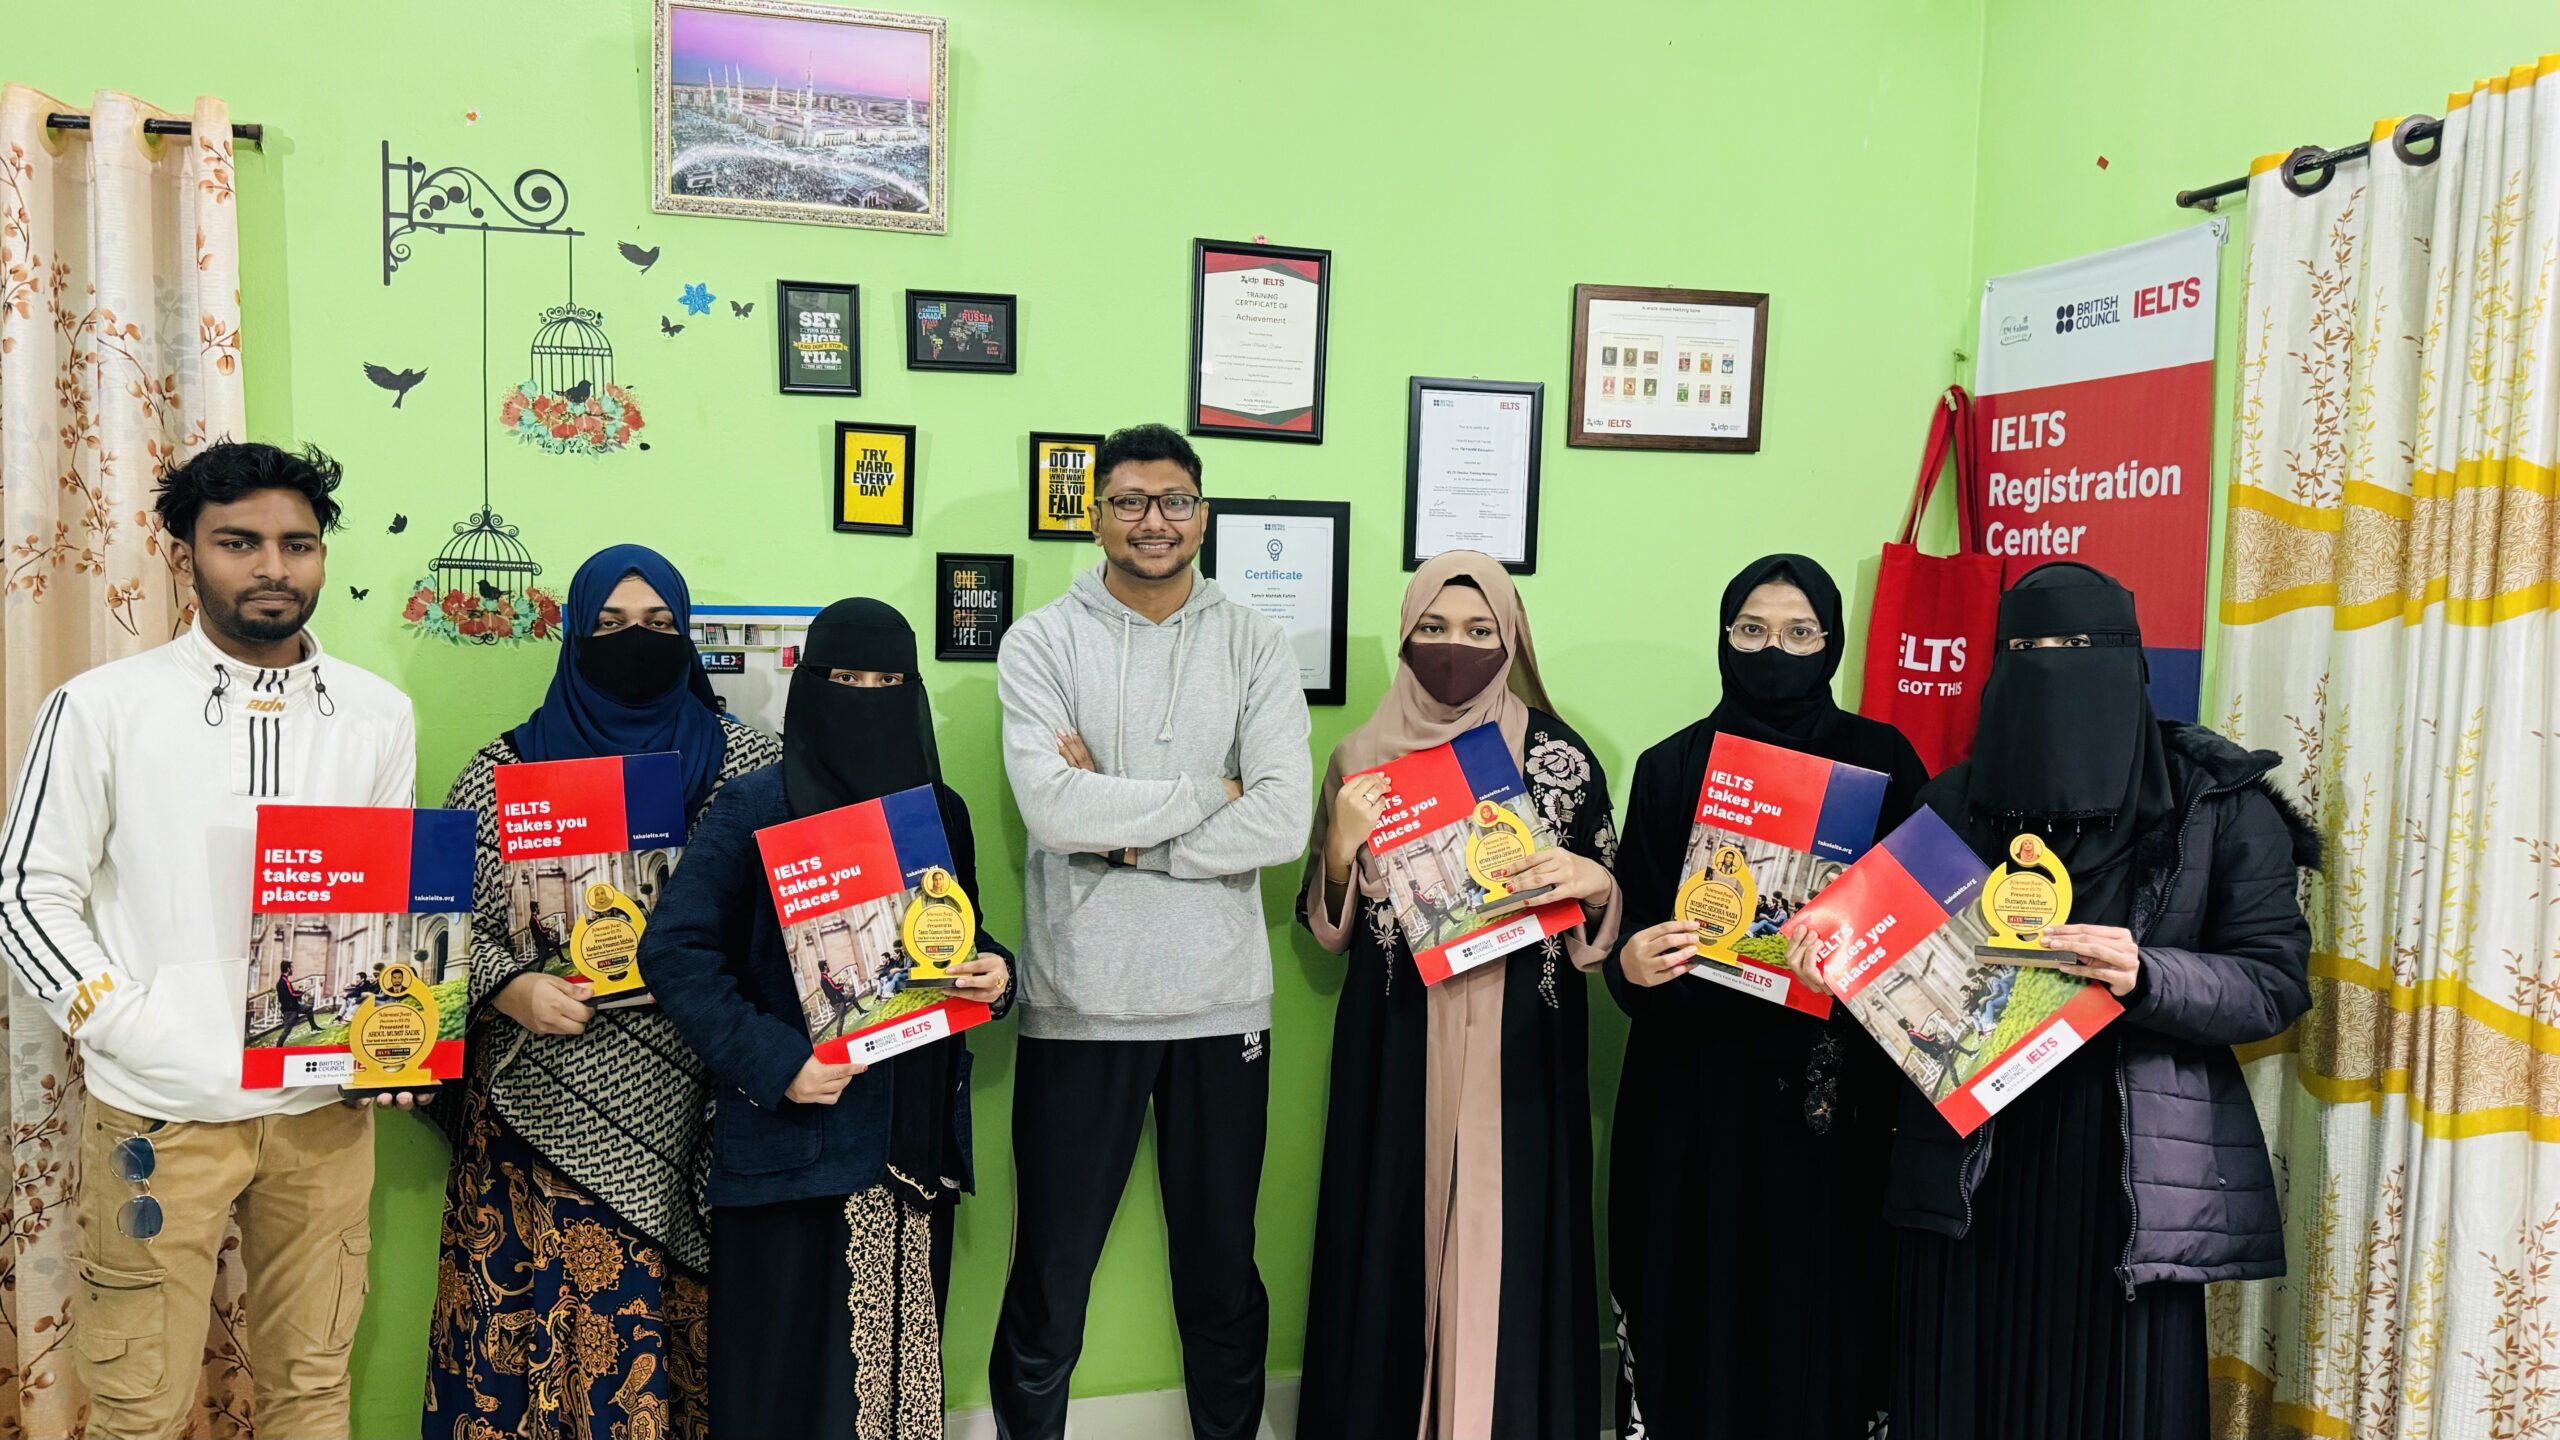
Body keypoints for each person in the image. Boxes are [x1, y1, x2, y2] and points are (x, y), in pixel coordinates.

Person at [1793, 561, 2313, 1440]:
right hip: (1965, 1171)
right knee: (1958, 1397)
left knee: (2114, 1405)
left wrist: (2147, 972)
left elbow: (2273, 985)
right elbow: (1900, 986)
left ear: (2132, 662)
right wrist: (1836, 972)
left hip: (2123, 1180)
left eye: (2080, 648)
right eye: (2027, 648)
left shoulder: (2214, 808)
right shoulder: (1952, 803)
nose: (2052, 667)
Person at [0, 441, 414, 1438]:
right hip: (159, 1113)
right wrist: (126, 1025)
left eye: (297, 544)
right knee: (140, 1406)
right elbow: (25, 893)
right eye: (239, 542)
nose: (273, 567)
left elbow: (388, 904)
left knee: (311, 1391)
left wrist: (396, 1035)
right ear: (185, 554)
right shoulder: (103, 707)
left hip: (323, 1115)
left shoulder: (375, 714)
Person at [989, 423, 1313, 1440]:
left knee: (1221, 1276)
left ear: (1202, 513)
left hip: (1221, 1007)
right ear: (1096, 516)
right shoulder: (1040, 642)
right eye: (1128, 501)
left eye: (1173, 500)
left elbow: (1282, 819)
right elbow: (1053, 810)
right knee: (1050, 1275)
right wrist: (1203, 794)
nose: (1153, 521)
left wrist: (1131, 837)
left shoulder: (1255, 643)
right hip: (1079, 1006)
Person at [422, 545, 779, 1440]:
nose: (637, 641)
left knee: (684, 1352)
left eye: (660, 626)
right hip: (541, 1109)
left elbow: (795, 920)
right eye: (612, 626)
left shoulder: (753, 766)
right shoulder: (505, 771)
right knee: (544, 1345)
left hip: (706, 1104)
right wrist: (510, 990)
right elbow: (433, 932)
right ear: (575, 637)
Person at [647, 598, 1013, 1440]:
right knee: (789, 1390)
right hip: (797, 1153)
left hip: (914, 1152)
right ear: (810, 687)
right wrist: (778, 1063)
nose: (866, 696)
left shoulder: (940, 811)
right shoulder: (755, 806)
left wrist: (996, 974)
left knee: (894, 1390)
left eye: (888, 680)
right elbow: (676, 952)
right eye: (845, 678)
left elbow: (956, 933)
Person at [1598, 553, 1928, 1440]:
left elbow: (1927, 933)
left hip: (1832, 1099)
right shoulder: (1674, 766)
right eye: (1751, 630)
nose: (1771, 650)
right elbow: (1630, 924)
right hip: (1695, 1093)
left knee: (1817, 1303)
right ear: (1723, 637)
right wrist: (1633, 961)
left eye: (1797, 633)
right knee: (1696, 1295)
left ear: (1831, 643)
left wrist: (1859, 956)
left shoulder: (1884, 761)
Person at [1297, 552, 1622, 1439]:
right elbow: (1324, 922)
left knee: (1506, 1236)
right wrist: (1340, 845)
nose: (1455, 648)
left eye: (1481, 632)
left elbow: (1610, 912)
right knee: (1392, 1227)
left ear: (1512, 639)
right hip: (1399, 1030)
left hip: (1522, 1032)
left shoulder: (1556, 757)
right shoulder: (1358, 757)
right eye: (1432, 629)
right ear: (1404, 636)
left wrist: (1593, 881)